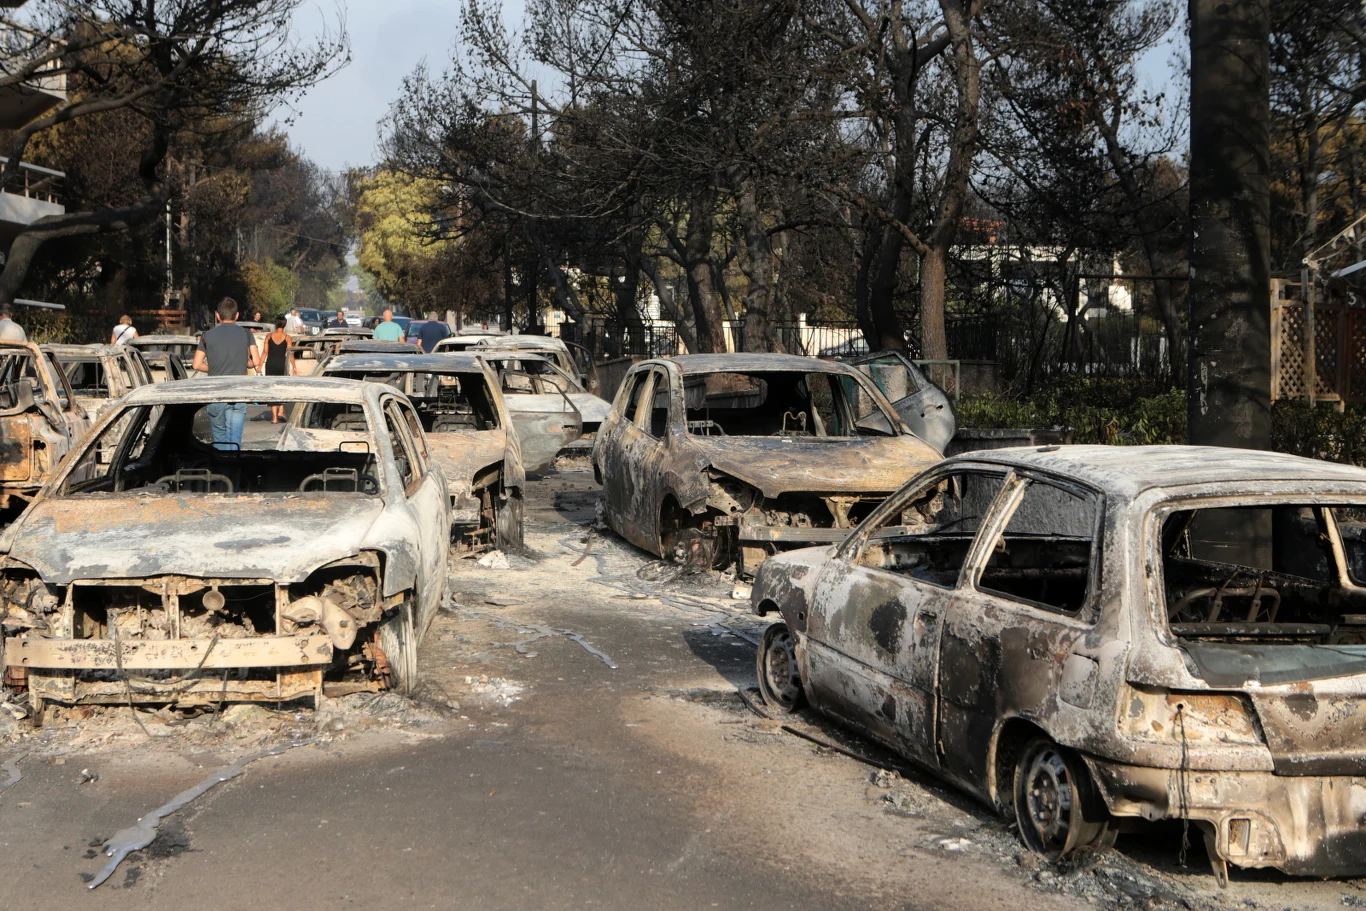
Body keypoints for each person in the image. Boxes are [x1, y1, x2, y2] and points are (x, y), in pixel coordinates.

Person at [192, 297, 261, 450]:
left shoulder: (206, 336)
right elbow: (255, 361)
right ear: (237, 315)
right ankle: (234, 470)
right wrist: (242, 363)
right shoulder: (246, 334)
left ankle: (221, 470)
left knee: (219, 439)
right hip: (238, 394)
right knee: (235, 440)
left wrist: (216, 367)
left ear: (217, 315)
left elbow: (196, 364)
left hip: (216, 394)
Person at [263, 316, 293, 423]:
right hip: (282, 364)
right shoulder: (287, 337)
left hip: (270, 364)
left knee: (272, 389)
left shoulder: (269, 336)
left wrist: (259, 366)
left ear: (275, 324)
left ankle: (274, 418)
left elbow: (265, 352)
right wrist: (294, 366)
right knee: (281, 388)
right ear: (284, 325)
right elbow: (290, 353)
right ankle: (281, 411)